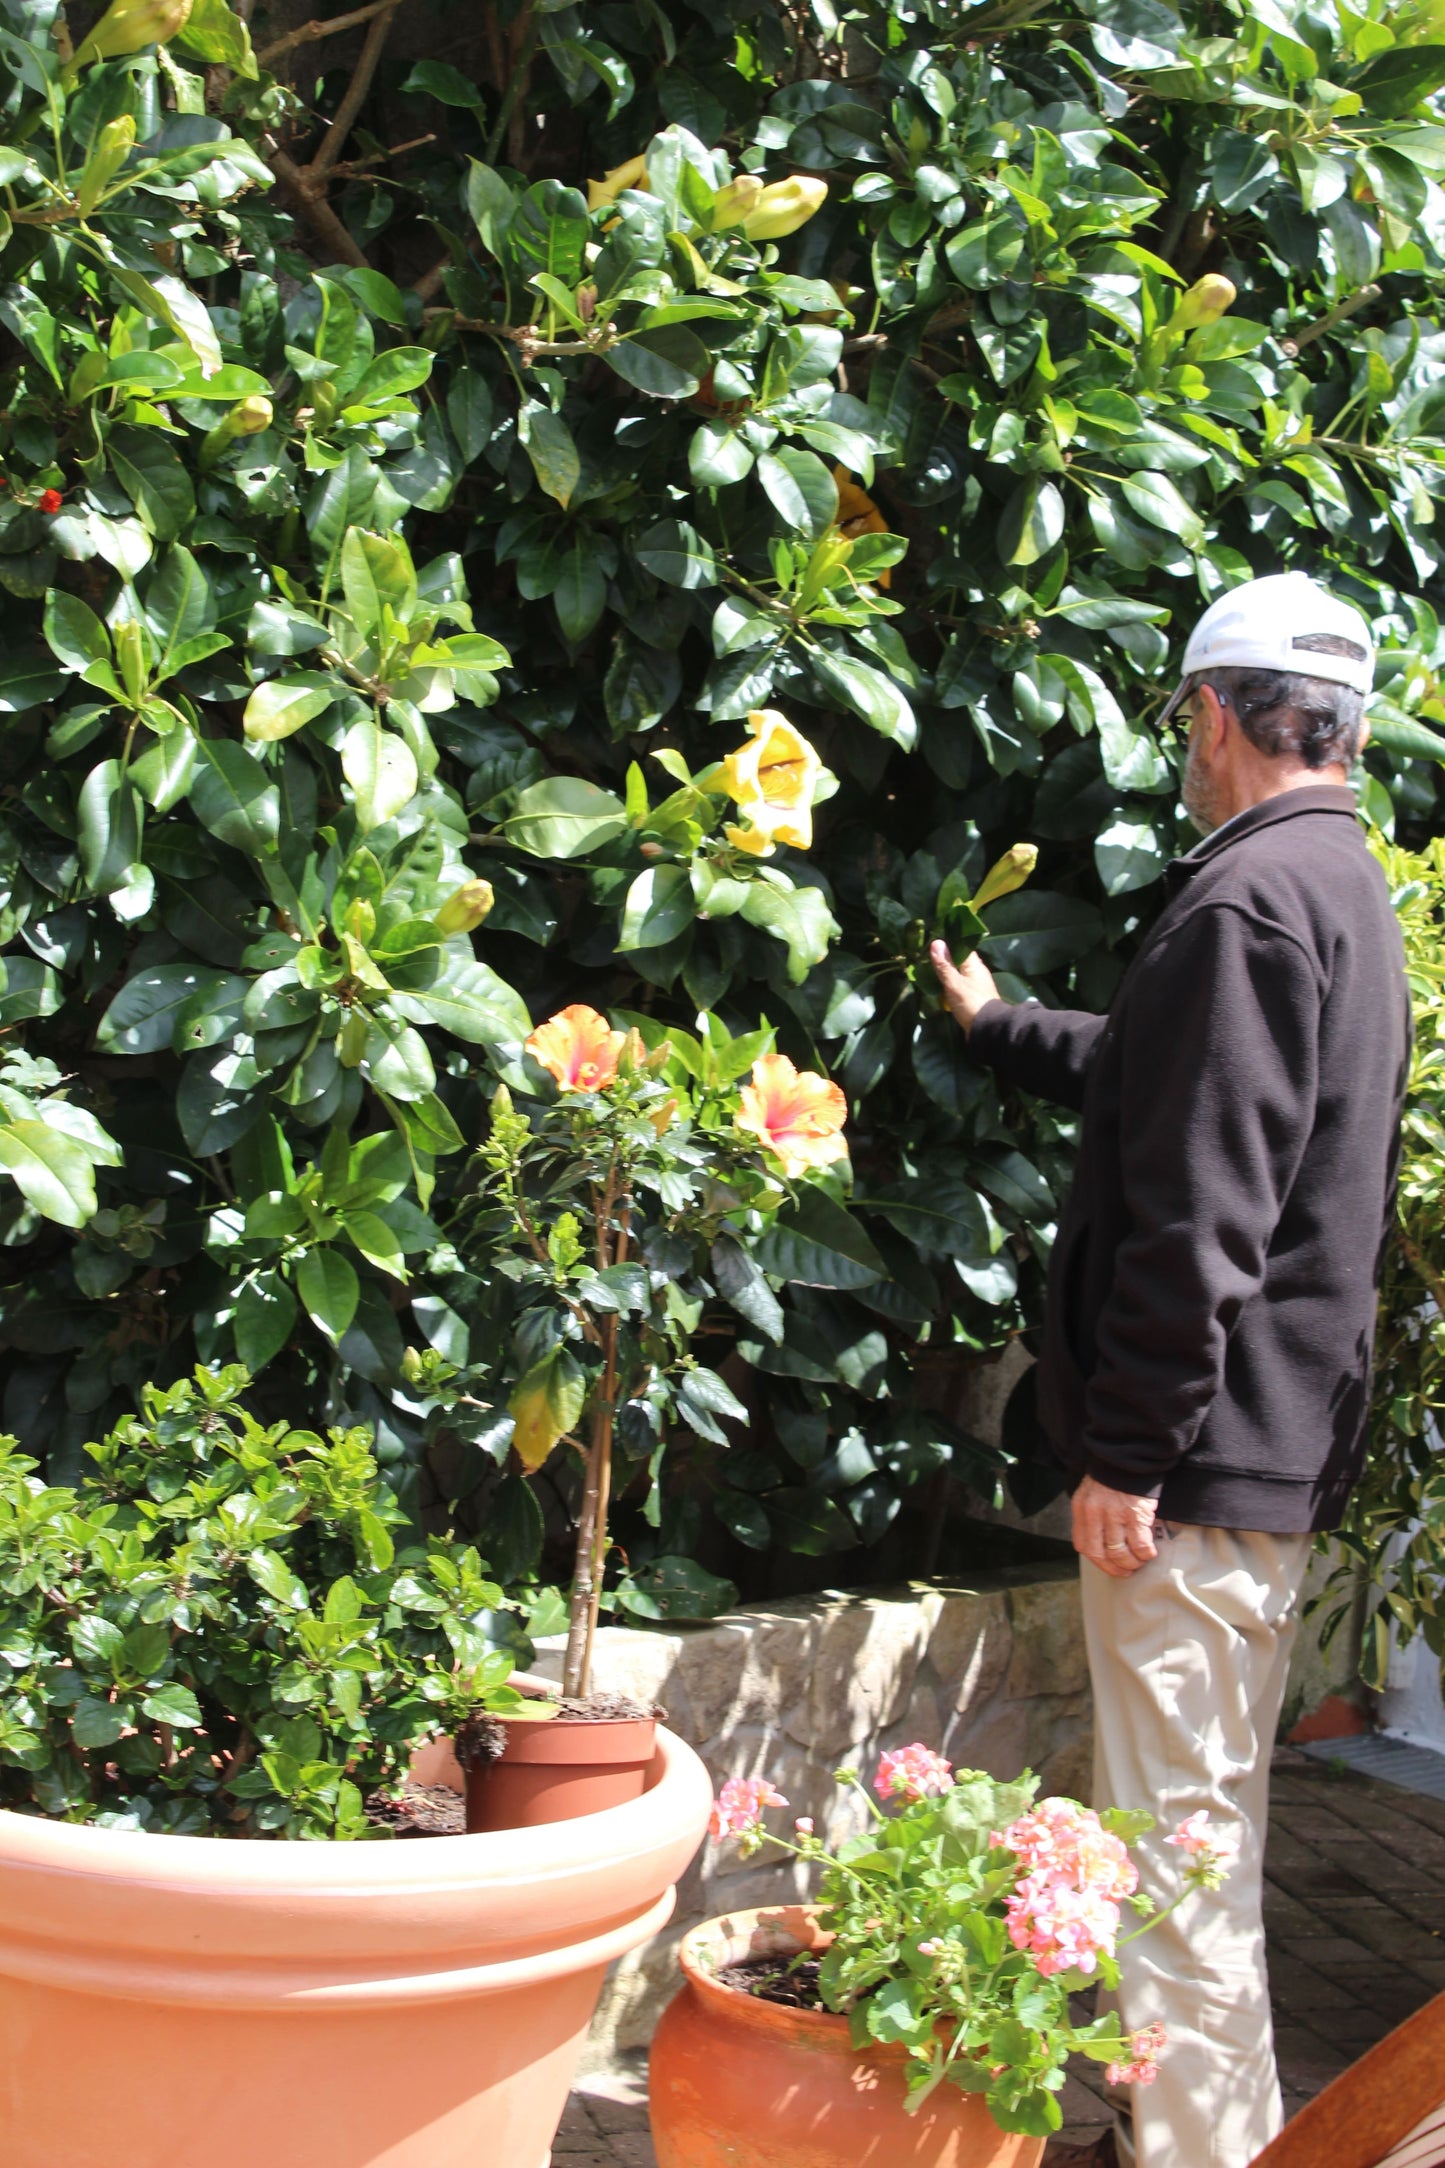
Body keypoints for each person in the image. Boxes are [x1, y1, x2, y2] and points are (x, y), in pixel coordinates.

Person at [929, 572, 1411, 2168]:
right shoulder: (1330, 886)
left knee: (1177, 1868)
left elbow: (1200, 1220)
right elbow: (1176, 1076)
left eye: (1180, 720)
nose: (1179, 749)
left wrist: (1125, 1457)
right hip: (1259, 1460)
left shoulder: (1242, 903)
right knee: (1201, 1837)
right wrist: (1002, 1028)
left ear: (1216, 713)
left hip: (1193, 1477)